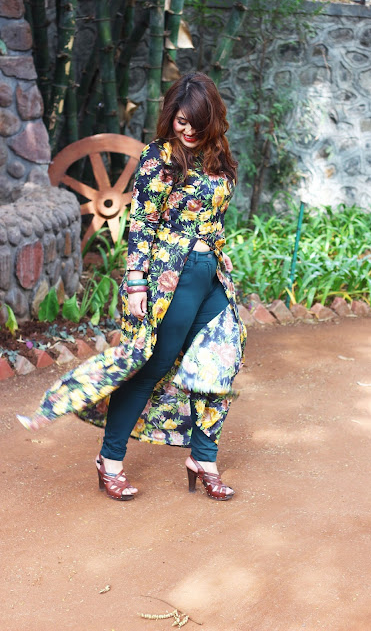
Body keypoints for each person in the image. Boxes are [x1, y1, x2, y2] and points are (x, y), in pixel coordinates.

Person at [18, 72, 247, 502]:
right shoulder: (160, 156)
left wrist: (216, 250)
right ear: (171, 117)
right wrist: (138, 281)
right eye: (181, 120)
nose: (188, 130)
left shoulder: (217, 157)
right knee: (149, 367)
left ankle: (204, 458)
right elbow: (142, 222)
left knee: (218, 365)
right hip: (171, 276)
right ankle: (110, 459)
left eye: (196, 122)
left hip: (210, 274)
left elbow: (212, 215)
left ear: (212, 119)